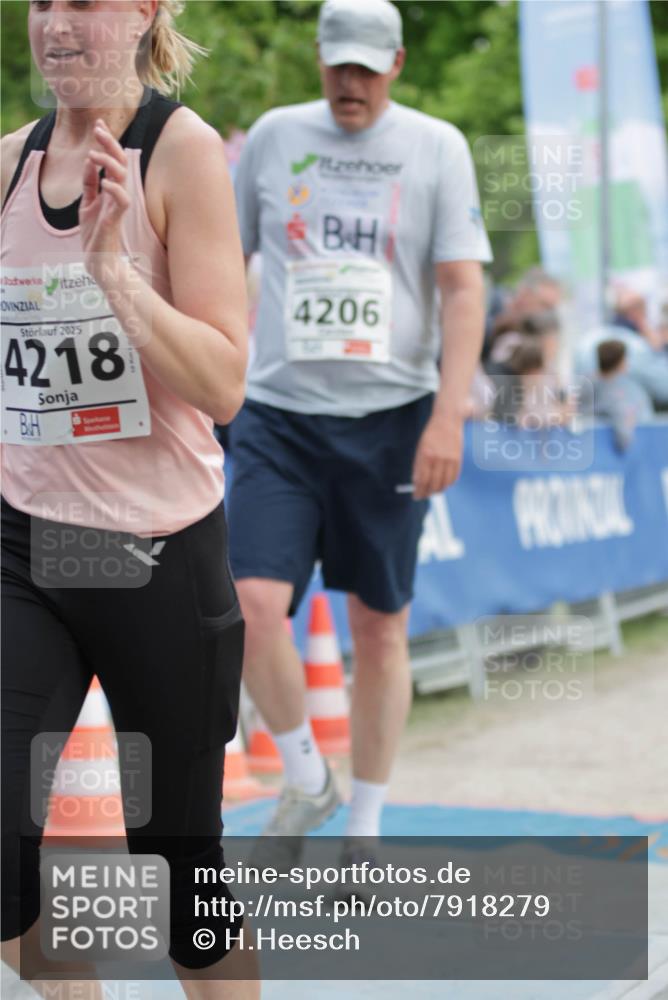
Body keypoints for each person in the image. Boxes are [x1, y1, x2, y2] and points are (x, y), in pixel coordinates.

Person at [0, 2, 258, 997]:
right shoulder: (11, 162)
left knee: (183, 879)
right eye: (41, 3)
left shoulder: (181, 153)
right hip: (27, 549)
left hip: (154, 555)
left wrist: (115, 274)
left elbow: (223, 383)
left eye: (84, 2)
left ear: (144, 12)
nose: (57, 24)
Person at [228, 0, 491, 865]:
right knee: (249, 605)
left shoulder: (436, 146)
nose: (351, 83)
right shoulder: (272, 135)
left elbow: (461, 287)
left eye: (367, 69)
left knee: (380, 623)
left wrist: (447, 413)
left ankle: (368, 826)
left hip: (393, 418)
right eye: (338, 64)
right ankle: (308, 780)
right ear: (318, 58)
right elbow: (220, 257)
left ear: (398, 65)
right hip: (278, 412)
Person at [582, 340, 654, 451]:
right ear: (621, 362)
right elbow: (624, 430)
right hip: (611, 453)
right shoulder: (626, 391)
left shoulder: (585, 384)